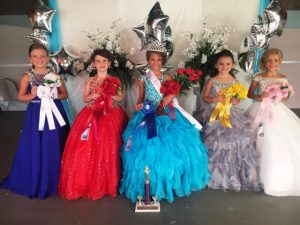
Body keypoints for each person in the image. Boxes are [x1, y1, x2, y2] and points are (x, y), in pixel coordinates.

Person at [119, 40, 210, 203]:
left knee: (176, 144)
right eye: (152, 59)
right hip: (148, 111)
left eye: (158, 60)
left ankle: (172, 179)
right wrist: (139, 104)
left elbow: (172, 93)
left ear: (163, 61)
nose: (155, 63)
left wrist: (170, 96)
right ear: (148, 60)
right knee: (146, 145)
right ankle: (149, 182)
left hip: (167, 112)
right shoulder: (143, 78)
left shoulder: (167, 76)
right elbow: (140, 98)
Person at [0, 43, 70, 199]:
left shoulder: (55, 75)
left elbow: (65, 94)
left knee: (54, 143)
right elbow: (21, 97)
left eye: (43, 56)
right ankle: (36, 177)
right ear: (30, 58)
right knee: (36, 144)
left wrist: (54, 95)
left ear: (48, 57)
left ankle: (56, 179)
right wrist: (32, 95)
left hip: (54, 112)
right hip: (36, 114)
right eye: (35, 56)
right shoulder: (27, 76)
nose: (39, 59)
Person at [58, 49, 128, 200]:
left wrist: (110, 94)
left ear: (109, 63)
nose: (101, 64)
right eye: (98, 61)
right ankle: (89, 181)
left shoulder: (115, 80)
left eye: (104, 61)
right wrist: (91, 96)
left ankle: (109, 180)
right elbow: (84, 98)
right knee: (88, 144)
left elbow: (120, 97)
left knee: (110, 145)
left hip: (111, 113)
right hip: (92, 112)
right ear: (94, 63)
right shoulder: (90, 80)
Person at [198, 49, 260, 191]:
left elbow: (238, 99)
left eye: (227, 64)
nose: (224, 67)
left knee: (240, 138)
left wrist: (235, 100)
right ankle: (214, 174)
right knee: (216, 140)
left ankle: (234, 174)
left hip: (231, 114)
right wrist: (214, 98)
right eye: (221, 64)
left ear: (232, 65)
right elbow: (205, 98)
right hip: (214, 112)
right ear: (216, 65)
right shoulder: (211, 81)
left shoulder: (235, 81)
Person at [246, 48, 300, 196]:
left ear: (280, 62)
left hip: (276, 110)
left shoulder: (283, 78)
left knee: (276, 138)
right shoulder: (259, 77)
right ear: (264, 62)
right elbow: (249, 93)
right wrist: (260, 96)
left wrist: (282, 94)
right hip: (260, 108)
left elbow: (286, 97)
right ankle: (253, 171)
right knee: (255, 135)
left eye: (276, 60)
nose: (272, 63)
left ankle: (274, 171)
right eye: (269, 60)